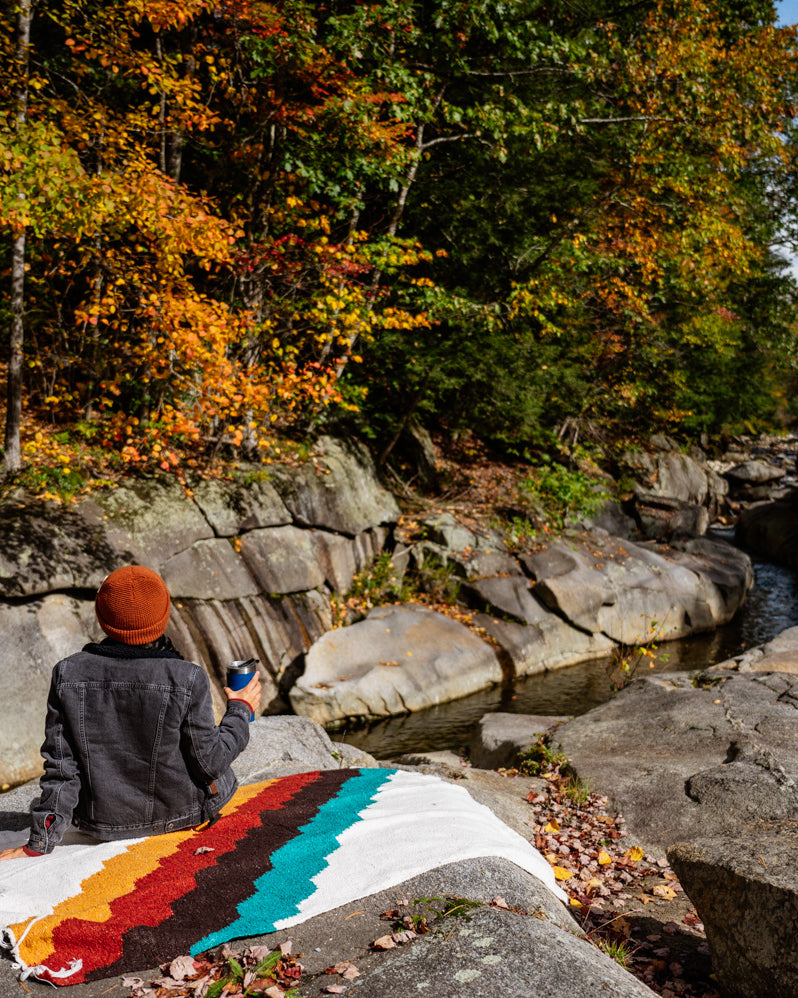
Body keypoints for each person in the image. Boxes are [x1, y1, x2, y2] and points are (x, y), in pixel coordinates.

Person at [0, 565, 262, 860]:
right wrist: (240, 709)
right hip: (181, 816)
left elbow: (62, 768)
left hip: (101, 823)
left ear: (102, 619)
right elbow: (209, 763)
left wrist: (39, 842)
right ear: (163, 618)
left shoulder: (68, 673)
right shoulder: (187, 677)